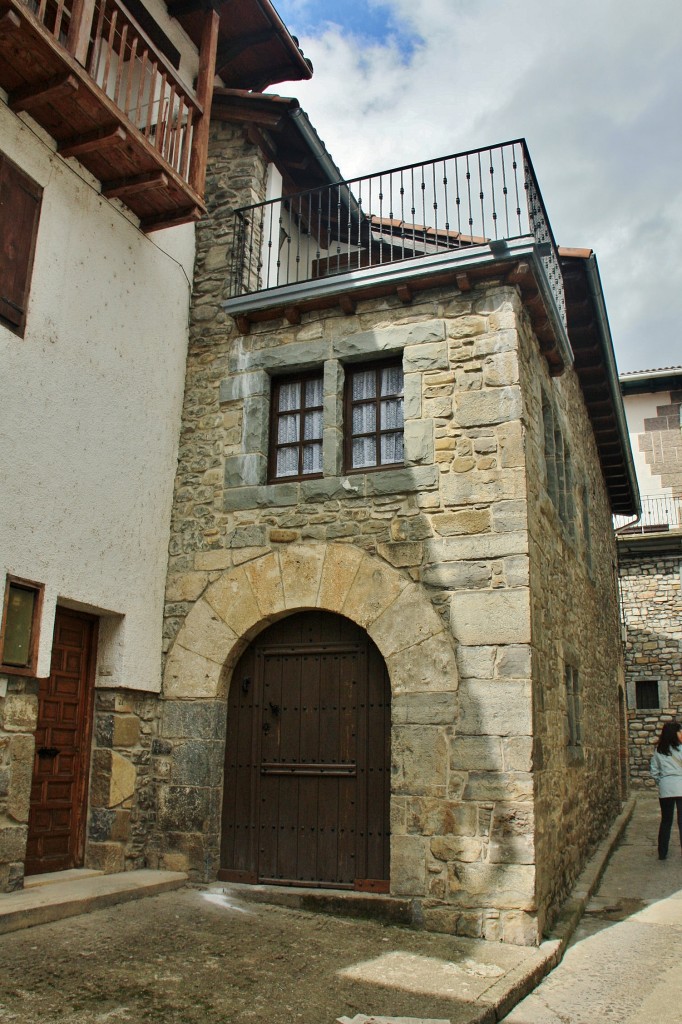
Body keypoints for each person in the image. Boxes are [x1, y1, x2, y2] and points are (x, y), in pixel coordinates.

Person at [650, 721, 682, 859]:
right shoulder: (681, 749)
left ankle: (662, 853)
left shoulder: (658, 750)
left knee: (666, 821)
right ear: (675, 733)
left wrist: (662, 781)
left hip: (665, 788)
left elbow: (654, 771)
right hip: (681, 787)